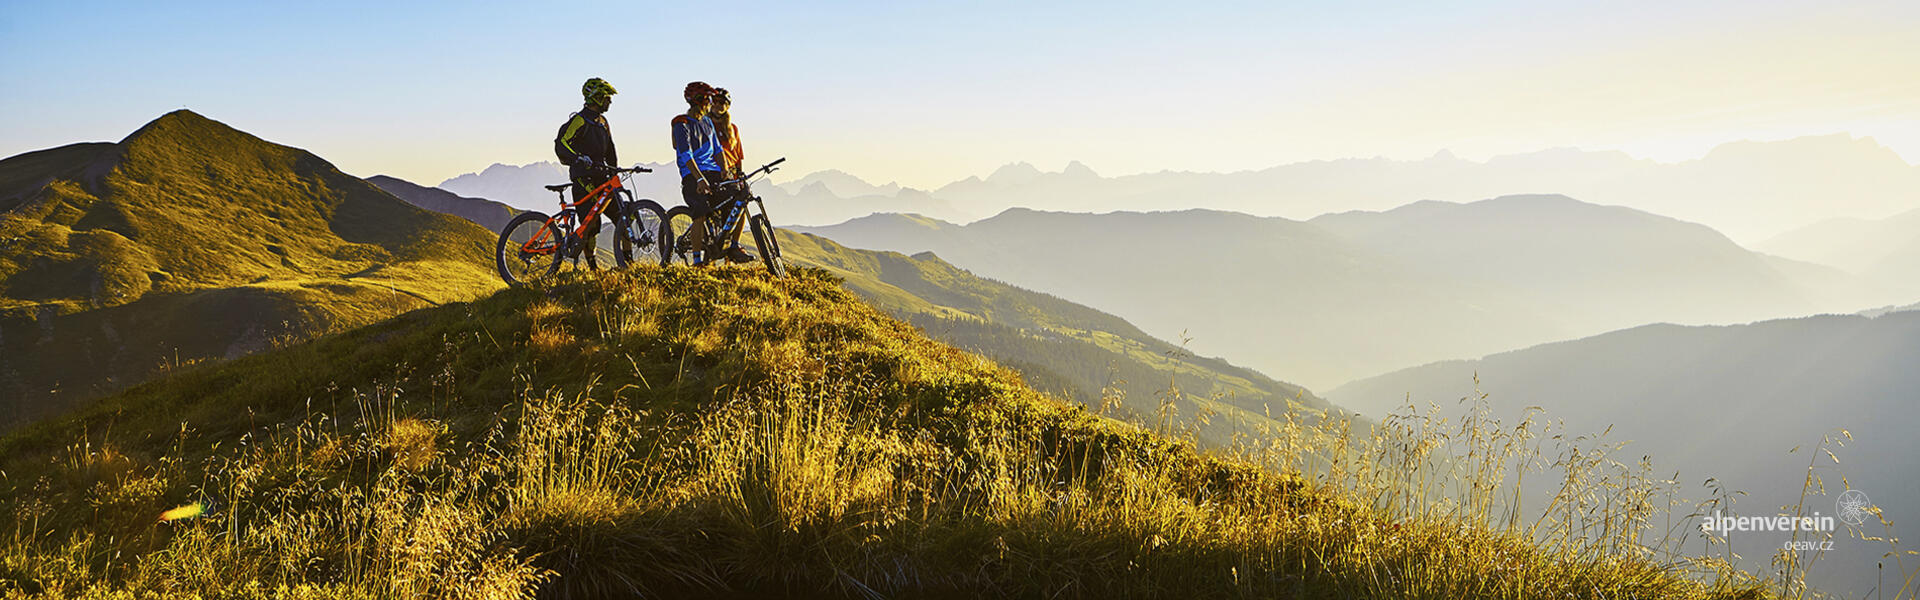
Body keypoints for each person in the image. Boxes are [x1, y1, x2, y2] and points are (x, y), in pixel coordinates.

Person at [670, 82, 752, 264]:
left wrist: (724, 169)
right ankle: (698, 262)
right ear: (700, 101)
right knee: (700, 213)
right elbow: (685, 154)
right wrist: (699, 178)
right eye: (708, 100)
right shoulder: (681, 123)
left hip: (713, 172)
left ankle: (732, 246)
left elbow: (717, 150)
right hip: (692, 175)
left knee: (739, 197)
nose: (711, 104)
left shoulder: (707, 122)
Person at [554, 77, 623, 268]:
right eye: (607, 97)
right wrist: (577, 158)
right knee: (590, 226)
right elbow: (562, 144)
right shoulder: (579, 120)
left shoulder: (603, 122)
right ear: (596, 98)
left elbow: (610, 150)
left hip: (603, 178)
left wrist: (615, 171)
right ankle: (592, 267)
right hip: (584, 179)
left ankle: (629, 263)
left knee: (623, 218)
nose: (610, 101)